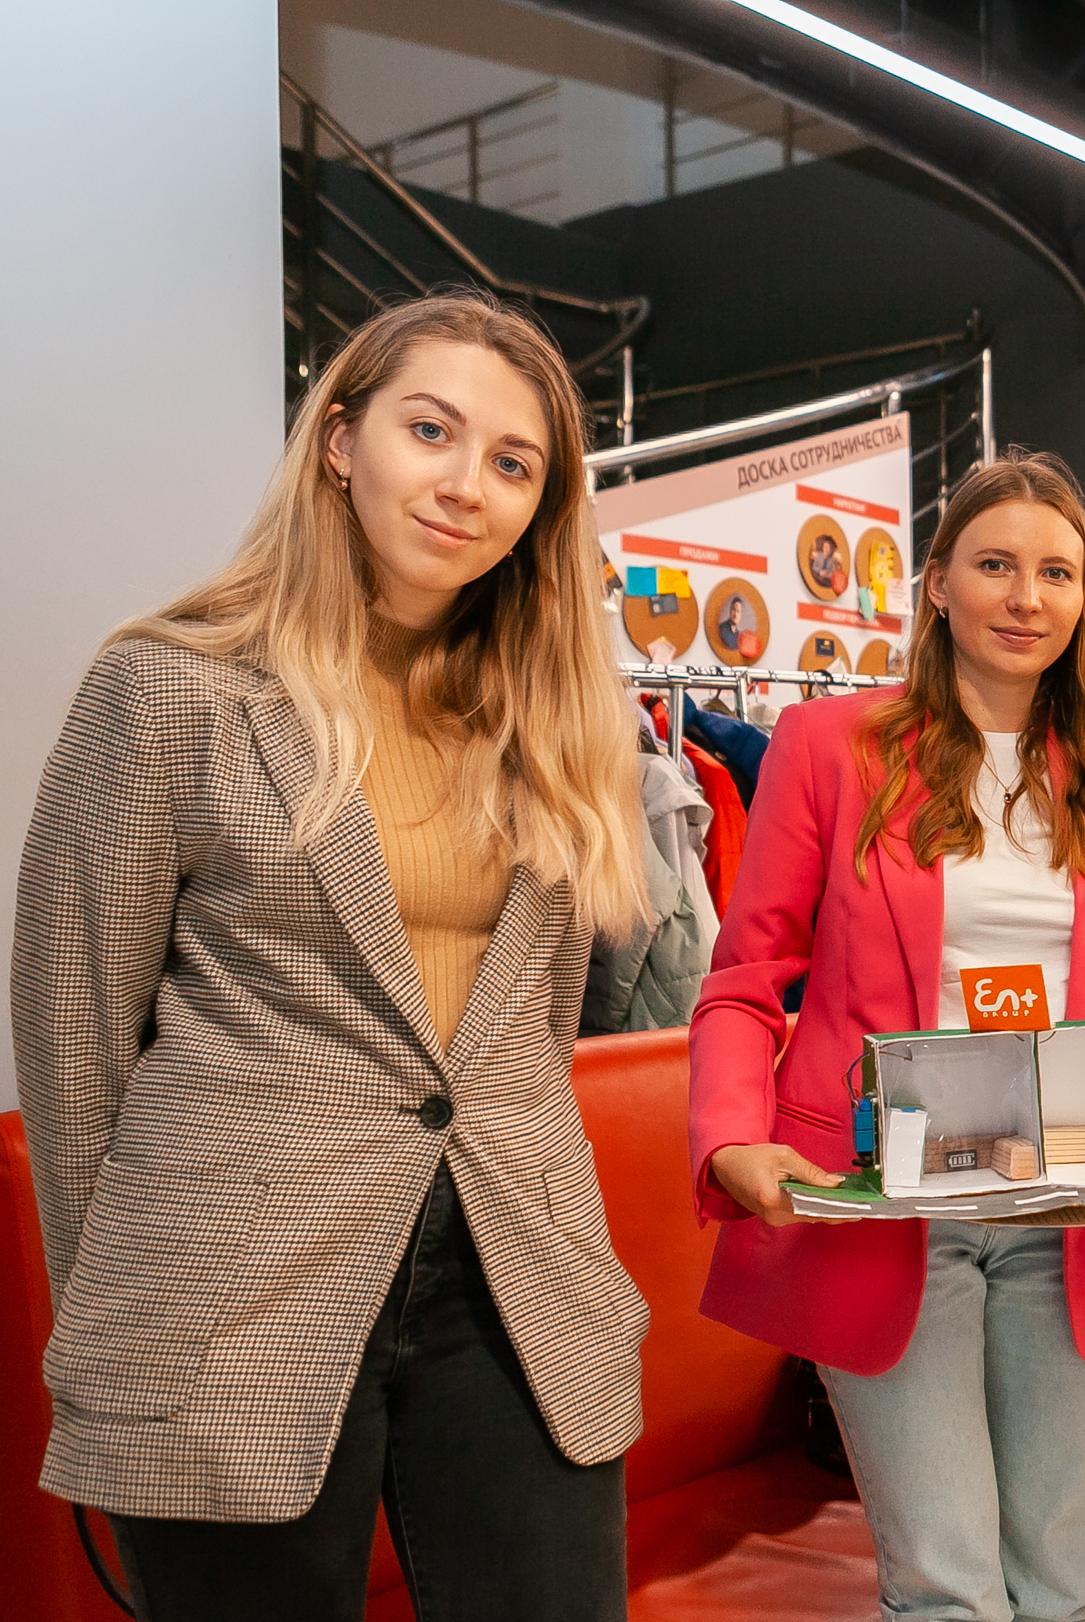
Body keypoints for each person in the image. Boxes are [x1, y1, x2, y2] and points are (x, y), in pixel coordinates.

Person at [14, 292, 652, 1619]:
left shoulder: (549, 719)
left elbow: (530, 1033)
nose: (466, 483)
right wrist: (120, 1330)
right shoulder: (169, 686)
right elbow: (74, 1038)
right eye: (432, 430)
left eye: (513, 462)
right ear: (341, 439)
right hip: (229, 1294)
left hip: (511, 1279)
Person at [688, 450, 1085, 1622]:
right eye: (994, 565)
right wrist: (730, 1134)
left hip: (1065, 1208)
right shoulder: (829, 745)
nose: (1026, 597)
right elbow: (743, 978)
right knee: (948, 1590)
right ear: (936, 582)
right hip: (889, 1207)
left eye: (1056, 572)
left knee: (1062, 1584)